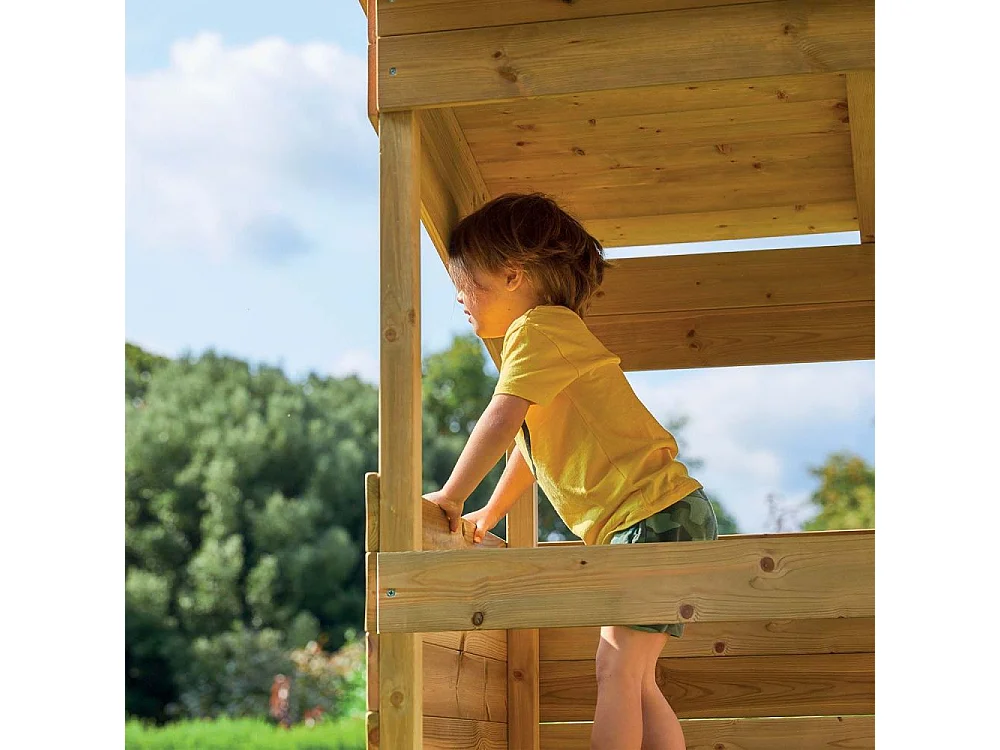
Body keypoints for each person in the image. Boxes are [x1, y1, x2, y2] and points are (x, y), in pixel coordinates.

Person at [424, 193, 718, 750]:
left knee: (616, 671)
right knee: (635, 678)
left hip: (650, 516)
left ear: (513, 276)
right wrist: (492, 509)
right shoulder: (548, 338)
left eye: (467, 284)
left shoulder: (538, 330)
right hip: (665, 515)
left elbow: (502, 418)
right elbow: (529, 449)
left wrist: (453, 495)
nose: (460, 298)